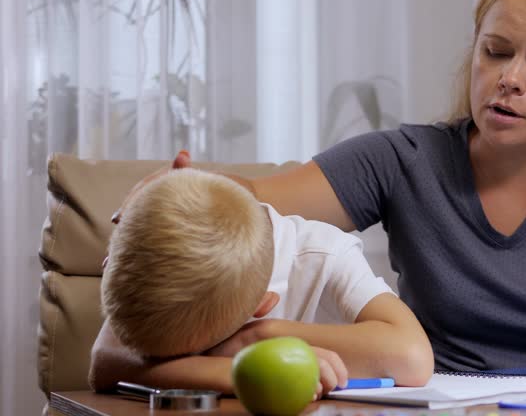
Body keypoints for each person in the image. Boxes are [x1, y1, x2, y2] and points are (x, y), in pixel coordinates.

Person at [107, 0, 526, 376]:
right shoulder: (403, 158)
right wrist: (173, 190)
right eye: (496, 52)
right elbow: (248, 209)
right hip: (431, 398)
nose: (509, 78)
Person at [89, 163, 433, 396]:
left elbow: (414, 359)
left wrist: (260, 337)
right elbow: (105, 362)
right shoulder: (155, 263)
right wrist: (239, 370)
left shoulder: (324, 254)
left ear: (261, 306)